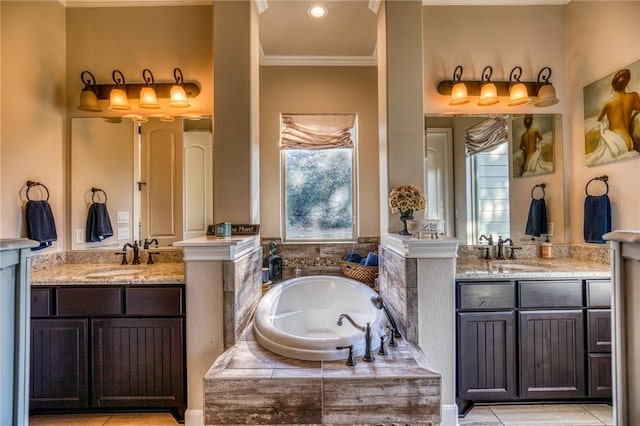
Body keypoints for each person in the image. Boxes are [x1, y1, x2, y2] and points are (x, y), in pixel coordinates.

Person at [597, 68, 640, 152]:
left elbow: (599, 119)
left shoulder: (608, 103)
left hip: (616, 140)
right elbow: (638, 107)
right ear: (627, 83)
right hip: (629, 142)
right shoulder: (633, 96)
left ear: (613, 84)